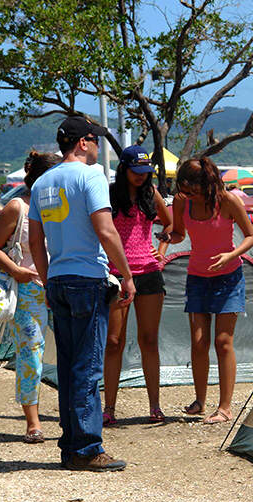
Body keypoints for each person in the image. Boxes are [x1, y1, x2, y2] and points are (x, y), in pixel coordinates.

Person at [29, 116, 136, 472]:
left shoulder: (41, 182)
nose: (98, 147)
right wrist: (127, 274)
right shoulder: (91, 176)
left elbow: (34, 241)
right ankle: (89, 448)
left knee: (68, 367)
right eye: (95, 140)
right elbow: (105, 231)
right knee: (88, 367)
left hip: (58, 279)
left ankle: (71, 446)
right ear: (82, 143)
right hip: (88, 278)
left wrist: (47, 281)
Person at [169, 157, 253, 424]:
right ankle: (199, 400)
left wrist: (231, 255)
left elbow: (251, 236)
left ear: (206, 183)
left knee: (223, 341)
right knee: (198, 342)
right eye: (185, 188)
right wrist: (165, 239)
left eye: (193, 188)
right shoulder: (182, 202)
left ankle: (225, 407)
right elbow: (180, 234)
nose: (189, 194)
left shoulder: (228, 201)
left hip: (229, 277)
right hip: (197, 277)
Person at [0, 150, 61, 444]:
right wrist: (16, 270)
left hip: (62, 283)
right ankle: (33, 421)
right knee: (30, 353)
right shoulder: (17, 207)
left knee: (70, 349)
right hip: (29, 288)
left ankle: (72, 414)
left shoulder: (61, 205)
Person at [102, 146, 173, 426]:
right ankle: (109, 407)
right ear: (123, 169)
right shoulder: (109, 194)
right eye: (136, 171)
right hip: (116, 273)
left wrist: (162, 249)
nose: (141, 177)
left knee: (149, 340)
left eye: (146, 173)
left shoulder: (151, 194)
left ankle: (155, 405)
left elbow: (170, 225)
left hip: (149, 273)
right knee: (113, 342)